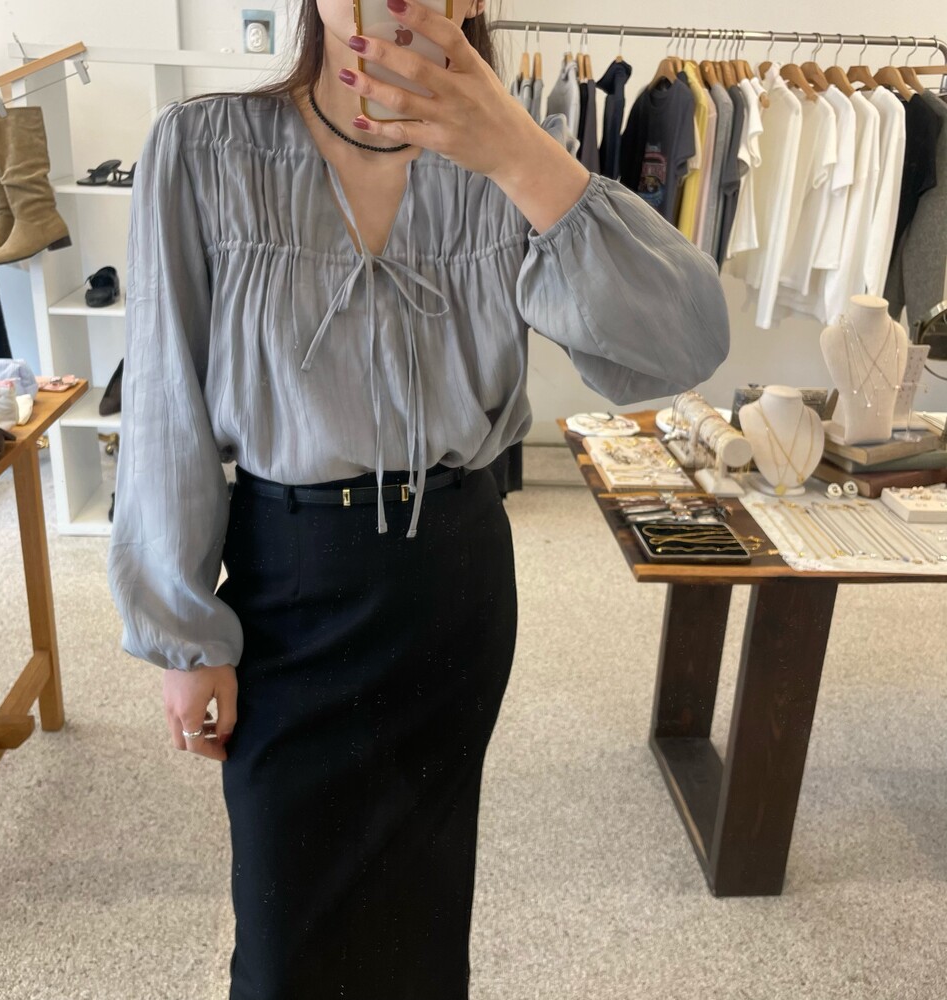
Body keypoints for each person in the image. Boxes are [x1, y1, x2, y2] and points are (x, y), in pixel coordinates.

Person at [108, 1, 729, 997]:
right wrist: (184, 634)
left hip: (453, 583)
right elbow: (163, 402)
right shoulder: (205, 147)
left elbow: (684, 344)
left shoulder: (513, 160)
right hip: (288, 582)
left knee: (423, 920)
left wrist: (521, 155)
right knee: (282, 943)